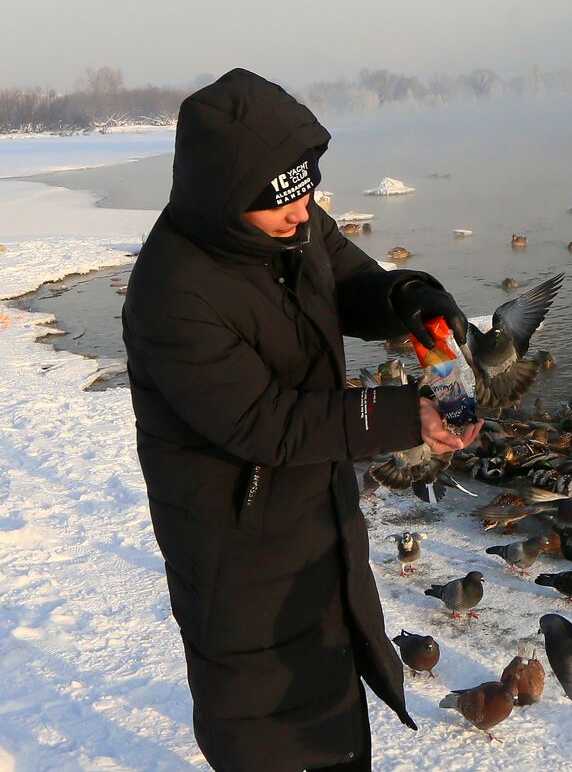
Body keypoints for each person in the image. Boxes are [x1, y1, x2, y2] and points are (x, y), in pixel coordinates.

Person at [122, 68, 479, 771]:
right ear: (226, 201)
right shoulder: (172, 293)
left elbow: (348, 280)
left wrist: (410, 296)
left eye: (307, 188)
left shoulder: (296, 221)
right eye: (281, 202)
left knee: (337, 720)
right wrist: (407, 413)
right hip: (238, 558)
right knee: (275, 737)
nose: (304, 211)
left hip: (314, 522)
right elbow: (269, 421)